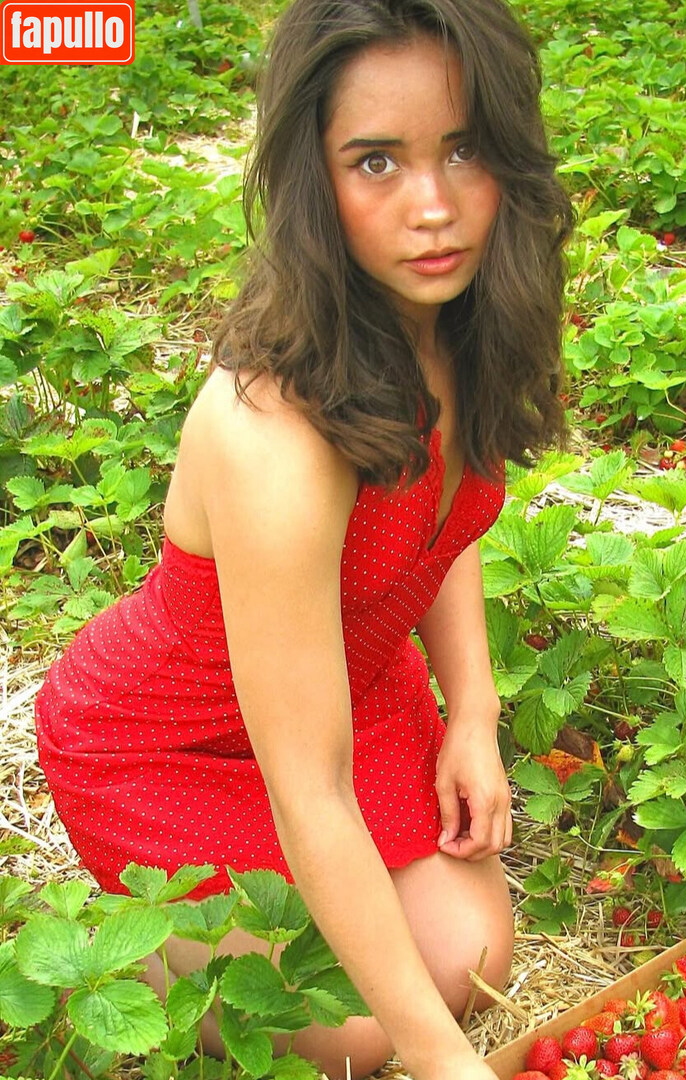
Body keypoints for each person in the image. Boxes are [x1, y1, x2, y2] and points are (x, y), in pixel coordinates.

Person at [33, 0, 572, 1076]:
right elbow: (308, 789)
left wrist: (472, 711)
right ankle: (117, 947)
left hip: (347, 692)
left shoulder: (463, 327)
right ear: (311, 186)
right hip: (173, 741)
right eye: (376, 162)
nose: (433, 207)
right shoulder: (274, 434)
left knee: (468, 961)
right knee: (365, 1037)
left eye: (462, 149)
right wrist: (451, 1069)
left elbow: (442, 525)